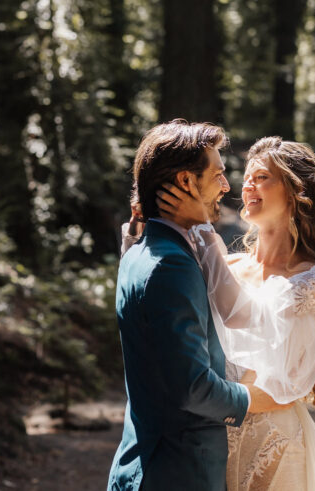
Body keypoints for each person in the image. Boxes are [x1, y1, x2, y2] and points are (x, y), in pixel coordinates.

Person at [127, 136, 315, 490]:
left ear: (295, 193)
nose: (246, 184)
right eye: (246, 176)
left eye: (262, 177)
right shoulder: (225, 264)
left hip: (272, 440)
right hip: (212, 435)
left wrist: (202, 229)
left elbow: (242, 315)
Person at [107, 121, 295, 491]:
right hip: (177, 472)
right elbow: (192, 388)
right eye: (218, 175)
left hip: (148, 461)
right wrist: (253, 398)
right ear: (185, 182)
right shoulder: (171, 265)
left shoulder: (140, 250)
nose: (226, 187)